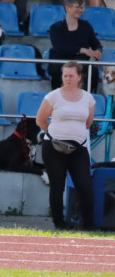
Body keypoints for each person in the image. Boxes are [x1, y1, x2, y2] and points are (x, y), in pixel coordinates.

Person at [37, 61, 96, 231]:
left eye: (71, 75)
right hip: (54, 145)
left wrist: (72, 133)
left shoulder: (88, 98)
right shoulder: (52, 96)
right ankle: (59, 223)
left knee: (84, 184)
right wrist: (56, 133)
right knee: (57, 185)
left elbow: (88, 123)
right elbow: (40, 120)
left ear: (79, 77)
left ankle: (88, 224)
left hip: (79, 146)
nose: (68, 78)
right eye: (65, 75)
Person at [47, 0, 103, 91]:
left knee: (92, 71)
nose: (80, 10)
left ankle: (89, 94)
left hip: (80, 63)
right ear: (67, 8)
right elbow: (59, 48)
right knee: (60, 70)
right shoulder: (56, 27)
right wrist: (83, 50)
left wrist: (98, 50)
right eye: (77, 7)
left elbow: (95, 43)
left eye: (82, 8)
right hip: (60, 62)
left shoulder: (86, 26)